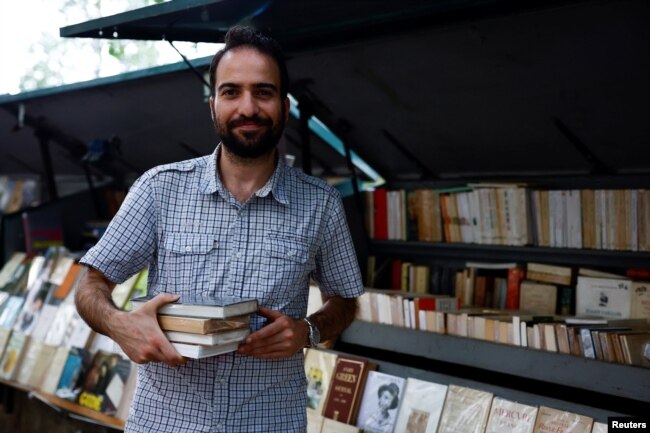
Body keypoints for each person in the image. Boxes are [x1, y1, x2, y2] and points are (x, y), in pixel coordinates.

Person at [74, 25, 364, 433]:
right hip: (166, 423)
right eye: (231, 92)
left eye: (263, 92)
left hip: (270, 422)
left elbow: (345, 301)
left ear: (283, 105)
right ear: (213, 105)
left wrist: (308, 330)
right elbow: (91, 282)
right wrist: (119, 324)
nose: (248, 107)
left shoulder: (321, 204)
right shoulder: (160, 188)